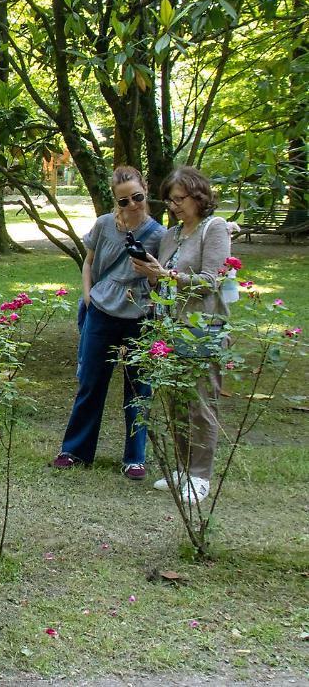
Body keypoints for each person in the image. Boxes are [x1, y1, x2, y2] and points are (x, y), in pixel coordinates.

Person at [52, 166, 166, 480]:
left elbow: (162, 283)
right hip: (101, 313)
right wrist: (88, 297)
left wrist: (153, 275)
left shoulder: (158, 234)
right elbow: (89, 262)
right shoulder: (104, 225)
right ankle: (75, 450)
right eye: (123, 201)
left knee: (138, 388)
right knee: (90, 383)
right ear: (115, 202)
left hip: (138, 317)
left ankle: (135, 458)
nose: (132, 205)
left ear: (145, 190)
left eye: (137, 198)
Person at [131, 166, 232, 504]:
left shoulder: (213, 229)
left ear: (198, 196)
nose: (173, 206)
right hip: (170, 326)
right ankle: (183, 468)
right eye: (169, 200)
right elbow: (161, 281)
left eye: (179, 199)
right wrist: (151, 274)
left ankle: (200, 476)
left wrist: (168, 274)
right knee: (176, 402)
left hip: (203, 328)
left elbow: (211, 281)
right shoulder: (171, 234)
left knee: (200, 403)